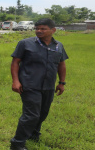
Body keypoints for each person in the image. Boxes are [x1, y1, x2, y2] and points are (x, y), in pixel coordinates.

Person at [9, 18, 68, 150]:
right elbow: (15, 62)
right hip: (29, 84)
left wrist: (62, 82)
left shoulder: (58, 46)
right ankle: (17, 143)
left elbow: (61, 64)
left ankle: (33, 134)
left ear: (53, 30)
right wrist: (16, 81)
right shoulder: (25, 43)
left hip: (48, 85)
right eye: (37, 28)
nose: (39, 31)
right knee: (31, 114)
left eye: (43, 29)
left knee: (43, 113)